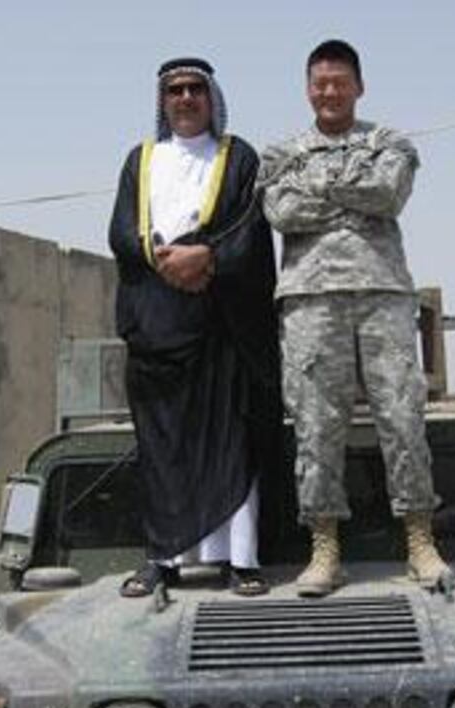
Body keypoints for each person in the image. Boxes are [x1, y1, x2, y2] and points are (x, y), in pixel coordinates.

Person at [259, 40, 451, 597]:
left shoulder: (389, 142)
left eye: (339, 81)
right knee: (316, 427)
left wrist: (318, 186)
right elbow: (280, 210)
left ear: (358, 86)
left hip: (382, 294)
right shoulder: (281, 152)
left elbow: (388, 193)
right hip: (309, 301)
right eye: (320, 82)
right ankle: (325, 549)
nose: (329, 91)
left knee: (403, 418)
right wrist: (349, 193)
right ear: (307, 89)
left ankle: (419, 540)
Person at [109, 57, 280, 598]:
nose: (185, 99)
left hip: (221, 325)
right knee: (163, 449)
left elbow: (252, 232)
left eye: (195, 90)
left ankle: (242, 561)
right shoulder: (141, 160)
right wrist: (165, 261)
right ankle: (162, 560)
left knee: (231, 443)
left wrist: (204, 257)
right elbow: (119, 233)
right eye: (175, 90)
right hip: (158, 328)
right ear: (162, 101)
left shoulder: (239, 157)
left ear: (212, 99)